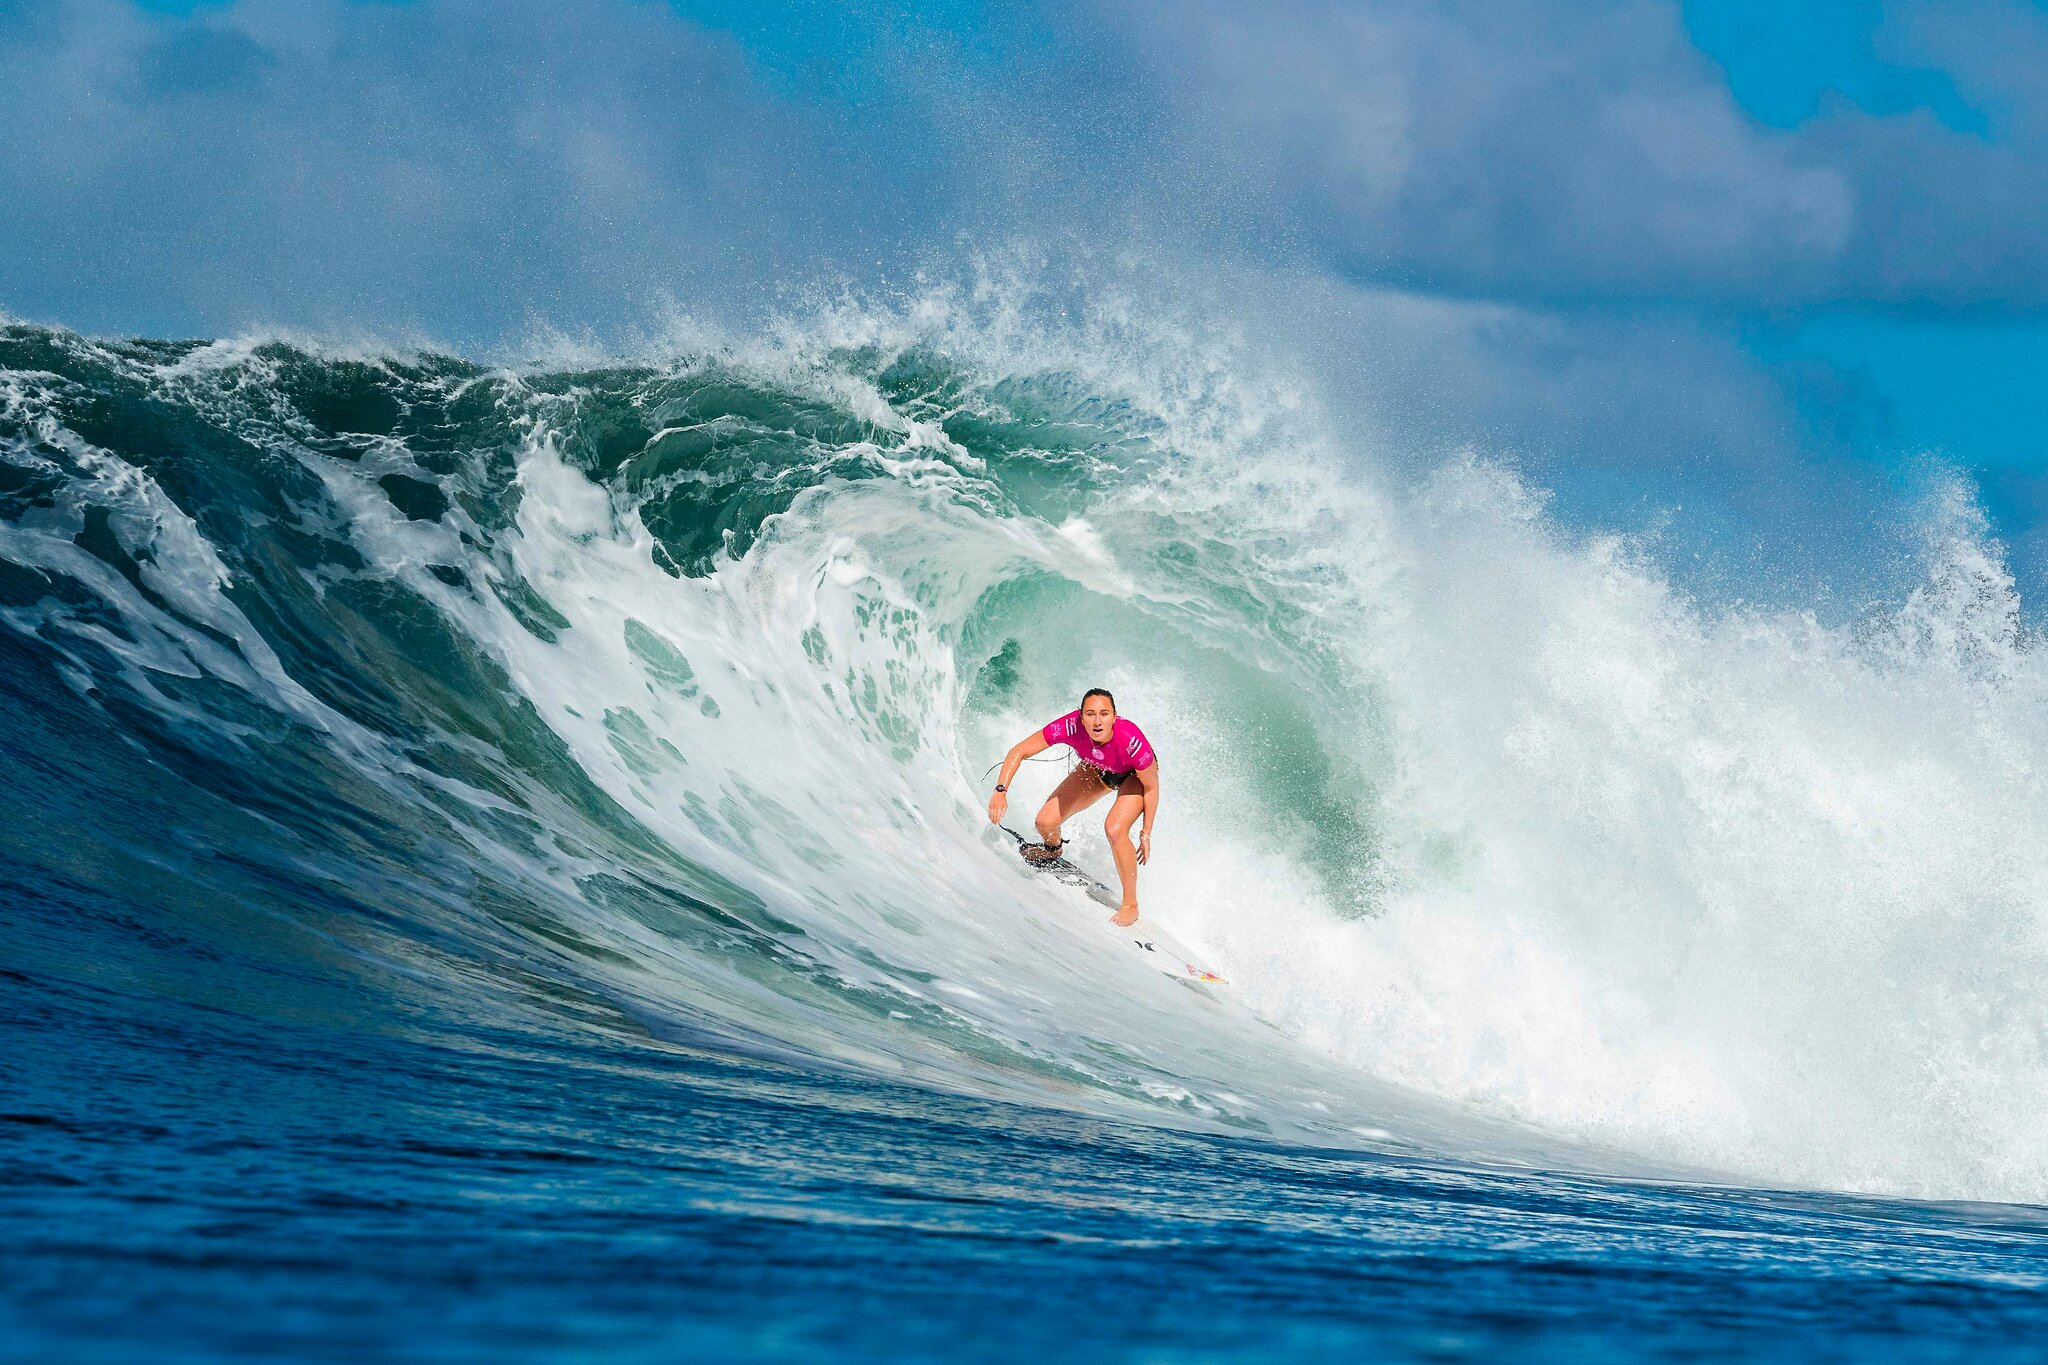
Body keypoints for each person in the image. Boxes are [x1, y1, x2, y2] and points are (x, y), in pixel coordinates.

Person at [986, 688, 1159, 927]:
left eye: (1104, 714)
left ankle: (1131, 904)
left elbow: (1151, 787)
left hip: (1134, 777)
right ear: (1080, 716)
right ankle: (1052, 850)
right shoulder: (1069, 726)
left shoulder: (1131, 741)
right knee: (1045, 822)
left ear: (1115, 716)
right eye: (1090, 714)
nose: (1097, 721)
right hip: (1096, 769)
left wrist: (1145, 832)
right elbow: (1019, 751)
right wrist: (1001, 791)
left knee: (1114, 828)